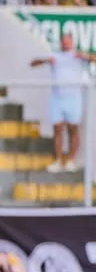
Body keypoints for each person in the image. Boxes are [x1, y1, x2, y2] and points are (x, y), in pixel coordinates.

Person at [31, 32, 91, 172]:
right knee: (57, 129)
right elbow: (33, 63)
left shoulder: (78, 56)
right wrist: (46, 61)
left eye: (68, 41)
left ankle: (70, 159)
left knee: (73, 129)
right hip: (57, 98)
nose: (66, 44)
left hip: (73, 98)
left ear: (72, 42)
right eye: (64, 42)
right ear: (61, 43)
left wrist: (86, 56)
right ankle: (58, 159)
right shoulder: (55, 56)